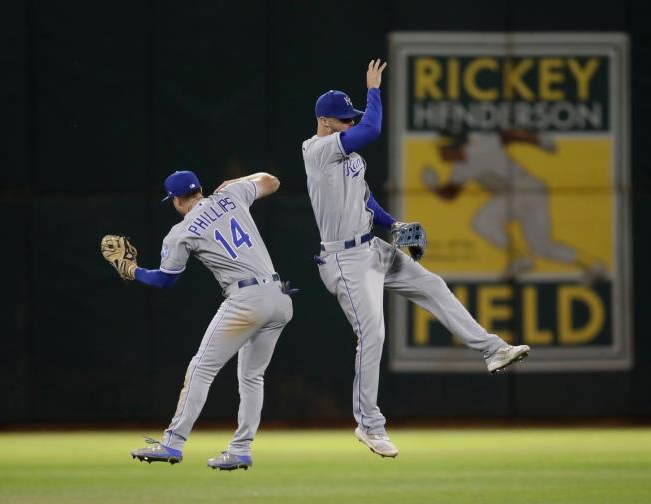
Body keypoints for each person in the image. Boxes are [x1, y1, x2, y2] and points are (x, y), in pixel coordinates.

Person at [301, 60, 529, 458]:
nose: (351, 124)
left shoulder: (348, 158)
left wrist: (394, 225)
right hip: (344, 261)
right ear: (324, 121)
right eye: (343, 120)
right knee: (372, 335)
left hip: (371, 248)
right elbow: (372, 129)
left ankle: (492, 350)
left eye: (351, 119)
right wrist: (374, 89)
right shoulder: (318, 150)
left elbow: (365, 200)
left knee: (433, 285)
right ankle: (369, 425)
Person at [100, 170, 294, 471]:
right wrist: (237, 181)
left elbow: (165, 281)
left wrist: (132, 270)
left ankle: (173, 443)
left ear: (176, 200)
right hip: (280, 296)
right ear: (200, 190)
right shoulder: (231, 195)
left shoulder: (182, 231)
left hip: (246, 299)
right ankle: (241, 449)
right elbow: (272, 180)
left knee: (201, 369)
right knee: (252, 377)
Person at [423, 127, 605, 281]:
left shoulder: (481, 147)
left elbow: (509, 135)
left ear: (453, 146)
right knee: (541, 246)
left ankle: (521, 258)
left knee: (483, 222)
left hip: (525, 188)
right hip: (527, 192)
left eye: (442, 147)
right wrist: (433, 188)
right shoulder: (460, 168)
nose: (440, 152)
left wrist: (539, 140)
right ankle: (593, 265)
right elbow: (451, 194)